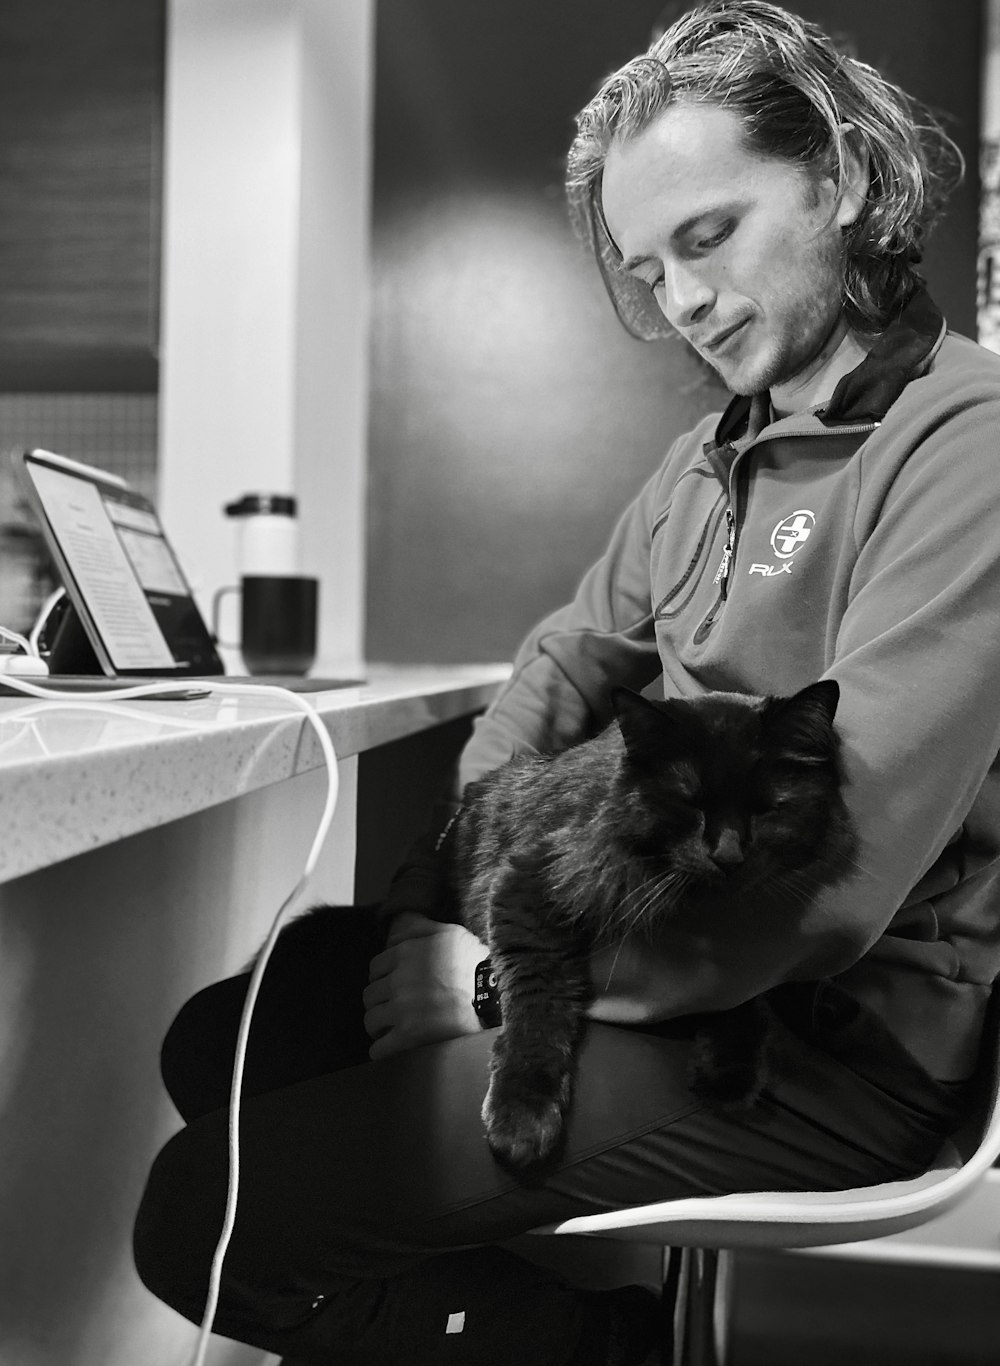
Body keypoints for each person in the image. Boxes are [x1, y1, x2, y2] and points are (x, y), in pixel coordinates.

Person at [132, 4, 1000, 1364]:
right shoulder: (714, 458)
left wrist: (498, 989)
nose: (685, 302)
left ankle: (602, 1345)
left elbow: (832, 883)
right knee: (240, 1029)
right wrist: (485, 904)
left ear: (837, 180)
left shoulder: (968, 449)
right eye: (652, 272)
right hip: (649, 949)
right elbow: (563, 661)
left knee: (206, 1214)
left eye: (707, 237)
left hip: (835, 1032)